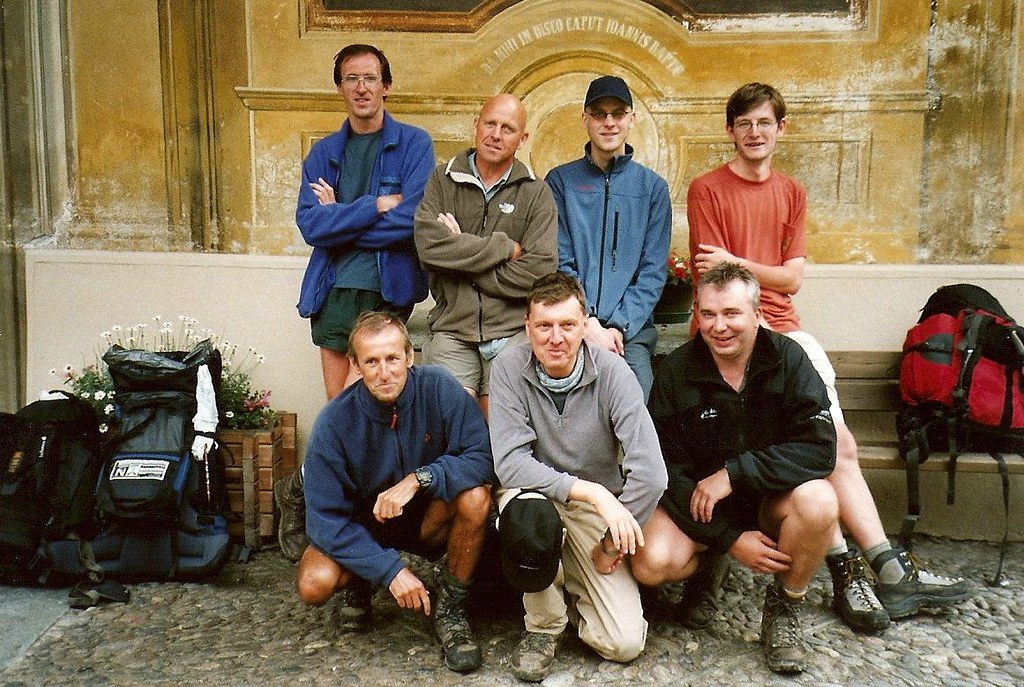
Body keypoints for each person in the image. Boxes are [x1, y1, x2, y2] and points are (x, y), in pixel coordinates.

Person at [686, 82, 970, 633]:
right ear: (730, 131)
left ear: (781, 129)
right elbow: (718, 280)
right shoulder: (708, 189)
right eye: (744, 123)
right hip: (735, 333)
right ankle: (854, 567)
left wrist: (746, 264)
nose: (754, 133)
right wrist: (757, 277)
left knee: (838, 445)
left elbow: (791, 278)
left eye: (764, 122)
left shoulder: (791, 191)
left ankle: (883, 565)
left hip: (789, 334)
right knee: (820, 446)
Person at [633, 262, 839, 674]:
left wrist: (737, 472)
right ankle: (711, 564)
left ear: (757, 314)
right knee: (652, 563)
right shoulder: (676, 371)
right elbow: (663, 469)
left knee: (820, 502)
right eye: (708, 314)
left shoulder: (788, 359)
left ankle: (785, 605)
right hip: (702, 507)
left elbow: (820, 449)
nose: (719, 326)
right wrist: (728, 539)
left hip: (771, 500)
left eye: (731, 313)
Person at [281, 44, 435, 561]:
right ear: (340, 87)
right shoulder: (323, 152)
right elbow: (311, 225)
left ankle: (354, 520)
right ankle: (326, 512)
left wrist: (342, 217)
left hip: (385, 293)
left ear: (386, 86)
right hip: (332, 295)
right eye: (351, 78)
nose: (362, 88)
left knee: (370, 408)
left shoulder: (413, 144)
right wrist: (373, 206)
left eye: (370, 78)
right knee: (342, 415)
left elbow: (411, 220)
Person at [489, 272, 668, 682]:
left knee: (623, 643)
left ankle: (568, 585)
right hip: (534, 497)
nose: (556, 338)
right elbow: (511, 464)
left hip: (590, 511)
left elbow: (651, 473)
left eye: (568, 325)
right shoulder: (508, 367)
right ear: (527, 327)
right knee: (532, 518)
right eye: (544, 326)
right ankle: (544, 627)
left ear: (585, 326)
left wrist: (610, 544)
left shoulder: (614, 373)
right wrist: (593, 493)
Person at [296, 311, 493, 673]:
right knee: (313, 583)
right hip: (365, 527)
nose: (384, 372)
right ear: (355, 364)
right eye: (371, 361)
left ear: (409, 357)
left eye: (392, 358)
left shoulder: (439, 388)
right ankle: (361, 579)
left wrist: (421, 478)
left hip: (430, 517)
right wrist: (388, 570)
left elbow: (482, 458)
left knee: (476, 497)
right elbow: (323, 519)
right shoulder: (334, 422)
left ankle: (451, 607)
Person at [414, 93, 558, 418]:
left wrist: (459, 254)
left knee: (500, 422)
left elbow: (539, 272)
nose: (495, 134)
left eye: (507, 129)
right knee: (456, 420)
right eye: (490, 124)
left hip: (511, 329)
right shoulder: (443, 180)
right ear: (476, 124)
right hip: (452, 327)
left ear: (522, 139)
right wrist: (503, 248)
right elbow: (428, 248)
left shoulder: (536, 192)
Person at [546, 75, 672, 402]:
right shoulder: (560, 182)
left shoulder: (652, 189)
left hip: (631, 334)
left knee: (639, 409)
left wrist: (618, 326)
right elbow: (560, 261)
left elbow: (652, 271)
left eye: (618, 113)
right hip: (570, 325)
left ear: (632, 118)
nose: (609, 122)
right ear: (585, 119)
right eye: (599, 114)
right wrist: (585, 321)